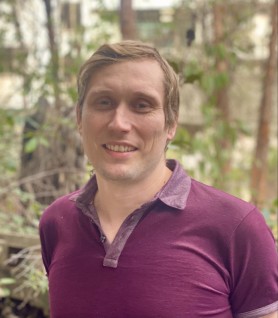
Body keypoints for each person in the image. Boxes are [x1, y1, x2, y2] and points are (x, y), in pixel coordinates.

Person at [39, 40, 278, 318]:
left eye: (142, 105)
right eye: (104, 102)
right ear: (80, 117)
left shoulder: (236, 228)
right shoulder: (56, 223)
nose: (119, 123)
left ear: (171, 124)